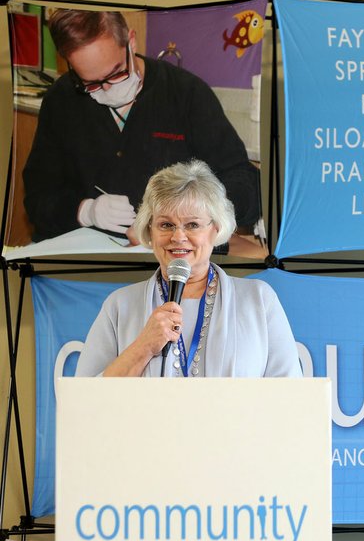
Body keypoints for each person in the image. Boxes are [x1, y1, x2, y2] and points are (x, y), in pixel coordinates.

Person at [22, 9, 261, 246]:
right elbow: (38, 198)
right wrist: (84, 211)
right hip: (82, 254)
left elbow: (244, 182)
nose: (107, 90)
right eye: (90, 83)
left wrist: (181, 219)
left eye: (116, 73)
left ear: (131, 42)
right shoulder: (61, 100)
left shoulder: (186, 94)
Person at [75, 160, 300, 378]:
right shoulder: (119, 306)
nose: (178, 237)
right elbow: (83, 401)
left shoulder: (259, 300)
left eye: (192, 225)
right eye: (166, 225)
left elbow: (291, 400)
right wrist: (143, 347)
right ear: (149, 230)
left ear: (216, 229)